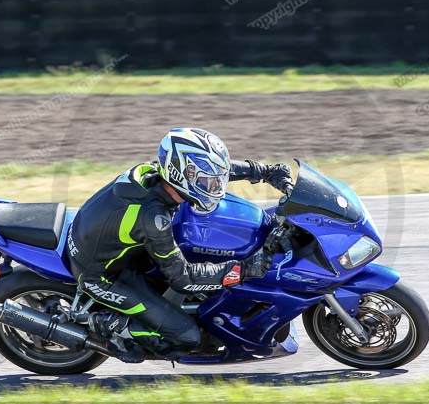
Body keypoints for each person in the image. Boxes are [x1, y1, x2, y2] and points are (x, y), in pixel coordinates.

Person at [65, 128, 293, 362]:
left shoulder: (161, 176)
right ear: (181, 174)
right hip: (101, 275)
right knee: (187, 338)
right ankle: (113, 326)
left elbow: (221, 171)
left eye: (213, 180)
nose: (215, 186)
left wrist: (265, 171)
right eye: (208, 181)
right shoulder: (153, 218)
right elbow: (183, 279)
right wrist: (244, 269)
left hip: (108, 242)